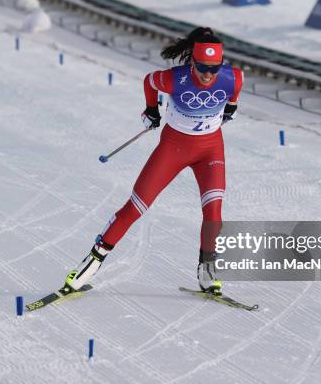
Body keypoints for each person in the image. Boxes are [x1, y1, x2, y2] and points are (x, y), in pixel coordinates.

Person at [64, 27, 244, 296]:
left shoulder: (234, 78)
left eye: (214, 68)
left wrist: (230, 109)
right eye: (203, 67)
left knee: (214, 213)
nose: (208, 75)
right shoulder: (174, 80)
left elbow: (233, 97)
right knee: (136, 207)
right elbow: (149, 81)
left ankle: (207, 269)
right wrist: (151, 110)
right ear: (192, 62)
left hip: (210, 151)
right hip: (174, 148)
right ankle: (91, 263)